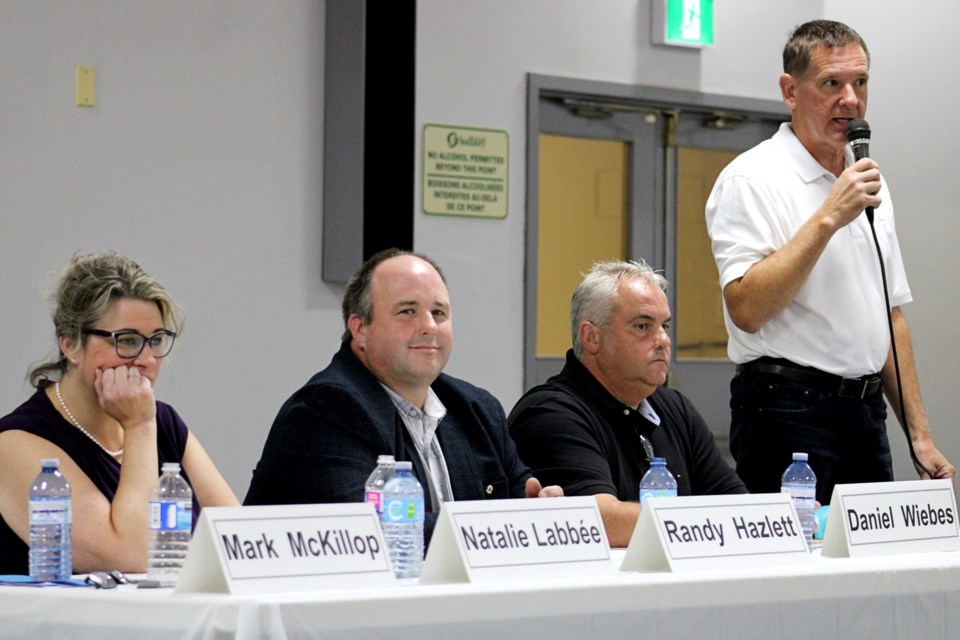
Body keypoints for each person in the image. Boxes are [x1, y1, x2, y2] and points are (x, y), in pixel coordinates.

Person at [705, 20, 954, 505]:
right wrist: (828, 218)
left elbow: (889, 316)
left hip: (866, 414)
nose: (850, 99)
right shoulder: (751, 179)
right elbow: (747, 309)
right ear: (790, 91)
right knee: (796, 572)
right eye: (831, 84)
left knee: (872, 572)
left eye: (860, 82)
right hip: (786, 411)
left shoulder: (866, 182)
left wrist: (919, 436)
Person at [244, 248, 560, 543]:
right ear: (360, 329)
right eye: (407, 311)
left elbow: (523, 505)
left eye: (439, 313)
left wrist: (540, 511)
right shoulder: (326, 410)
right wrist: (506, 525)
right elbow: (376, 534)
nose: (429, 326)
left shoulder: (477, 408)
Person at [0, 251, 238, 575]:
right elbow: (133, 558)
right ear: (70, 343)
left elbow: (240, 538)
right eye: (126, 341)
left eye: (155, 341)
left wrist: (144, 423)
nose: (146, 359)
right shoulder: (15, 442)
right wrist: (138, 425)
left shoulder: (163, 421)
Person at [508, 260, 745, 547]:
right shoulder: (549, 413)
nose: (663, 340)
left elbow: (738, 506)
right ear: (592, 337)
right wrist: (707, 523)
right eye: (643, 326)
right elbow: (601, 521)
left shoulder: (674, 408)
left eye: (664, 326)